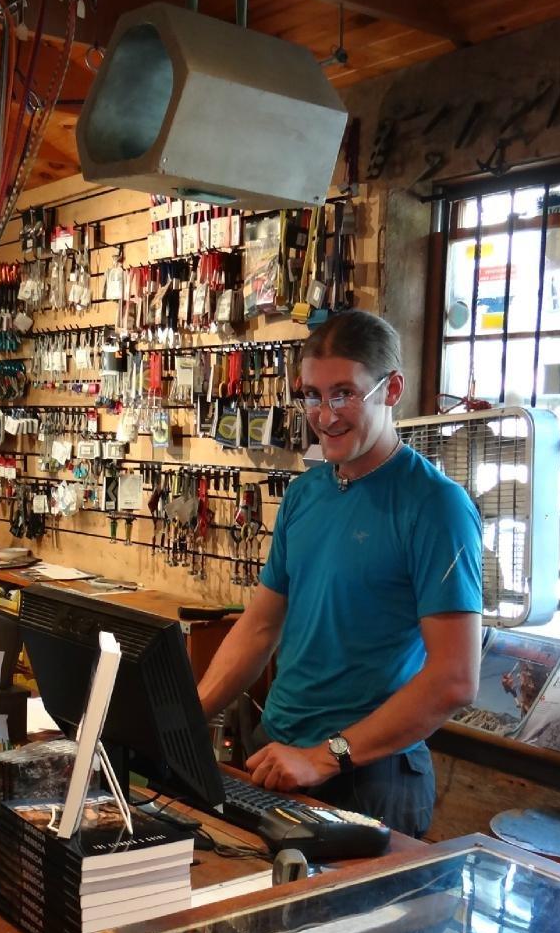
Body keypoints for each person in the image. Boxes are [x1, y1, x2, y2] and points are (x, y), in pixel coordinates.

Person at [198, 310, 482, 836]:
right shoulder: (305, 493)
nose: (324, 415)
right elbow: (260, 627)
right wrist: (184, 718)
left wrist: (326, 757)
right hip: (276, 759)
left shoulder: (436, 507)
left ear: (391, 389)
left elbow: (455, 678)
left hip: (369, 778)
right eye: (311, 395)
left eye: (343, 394)